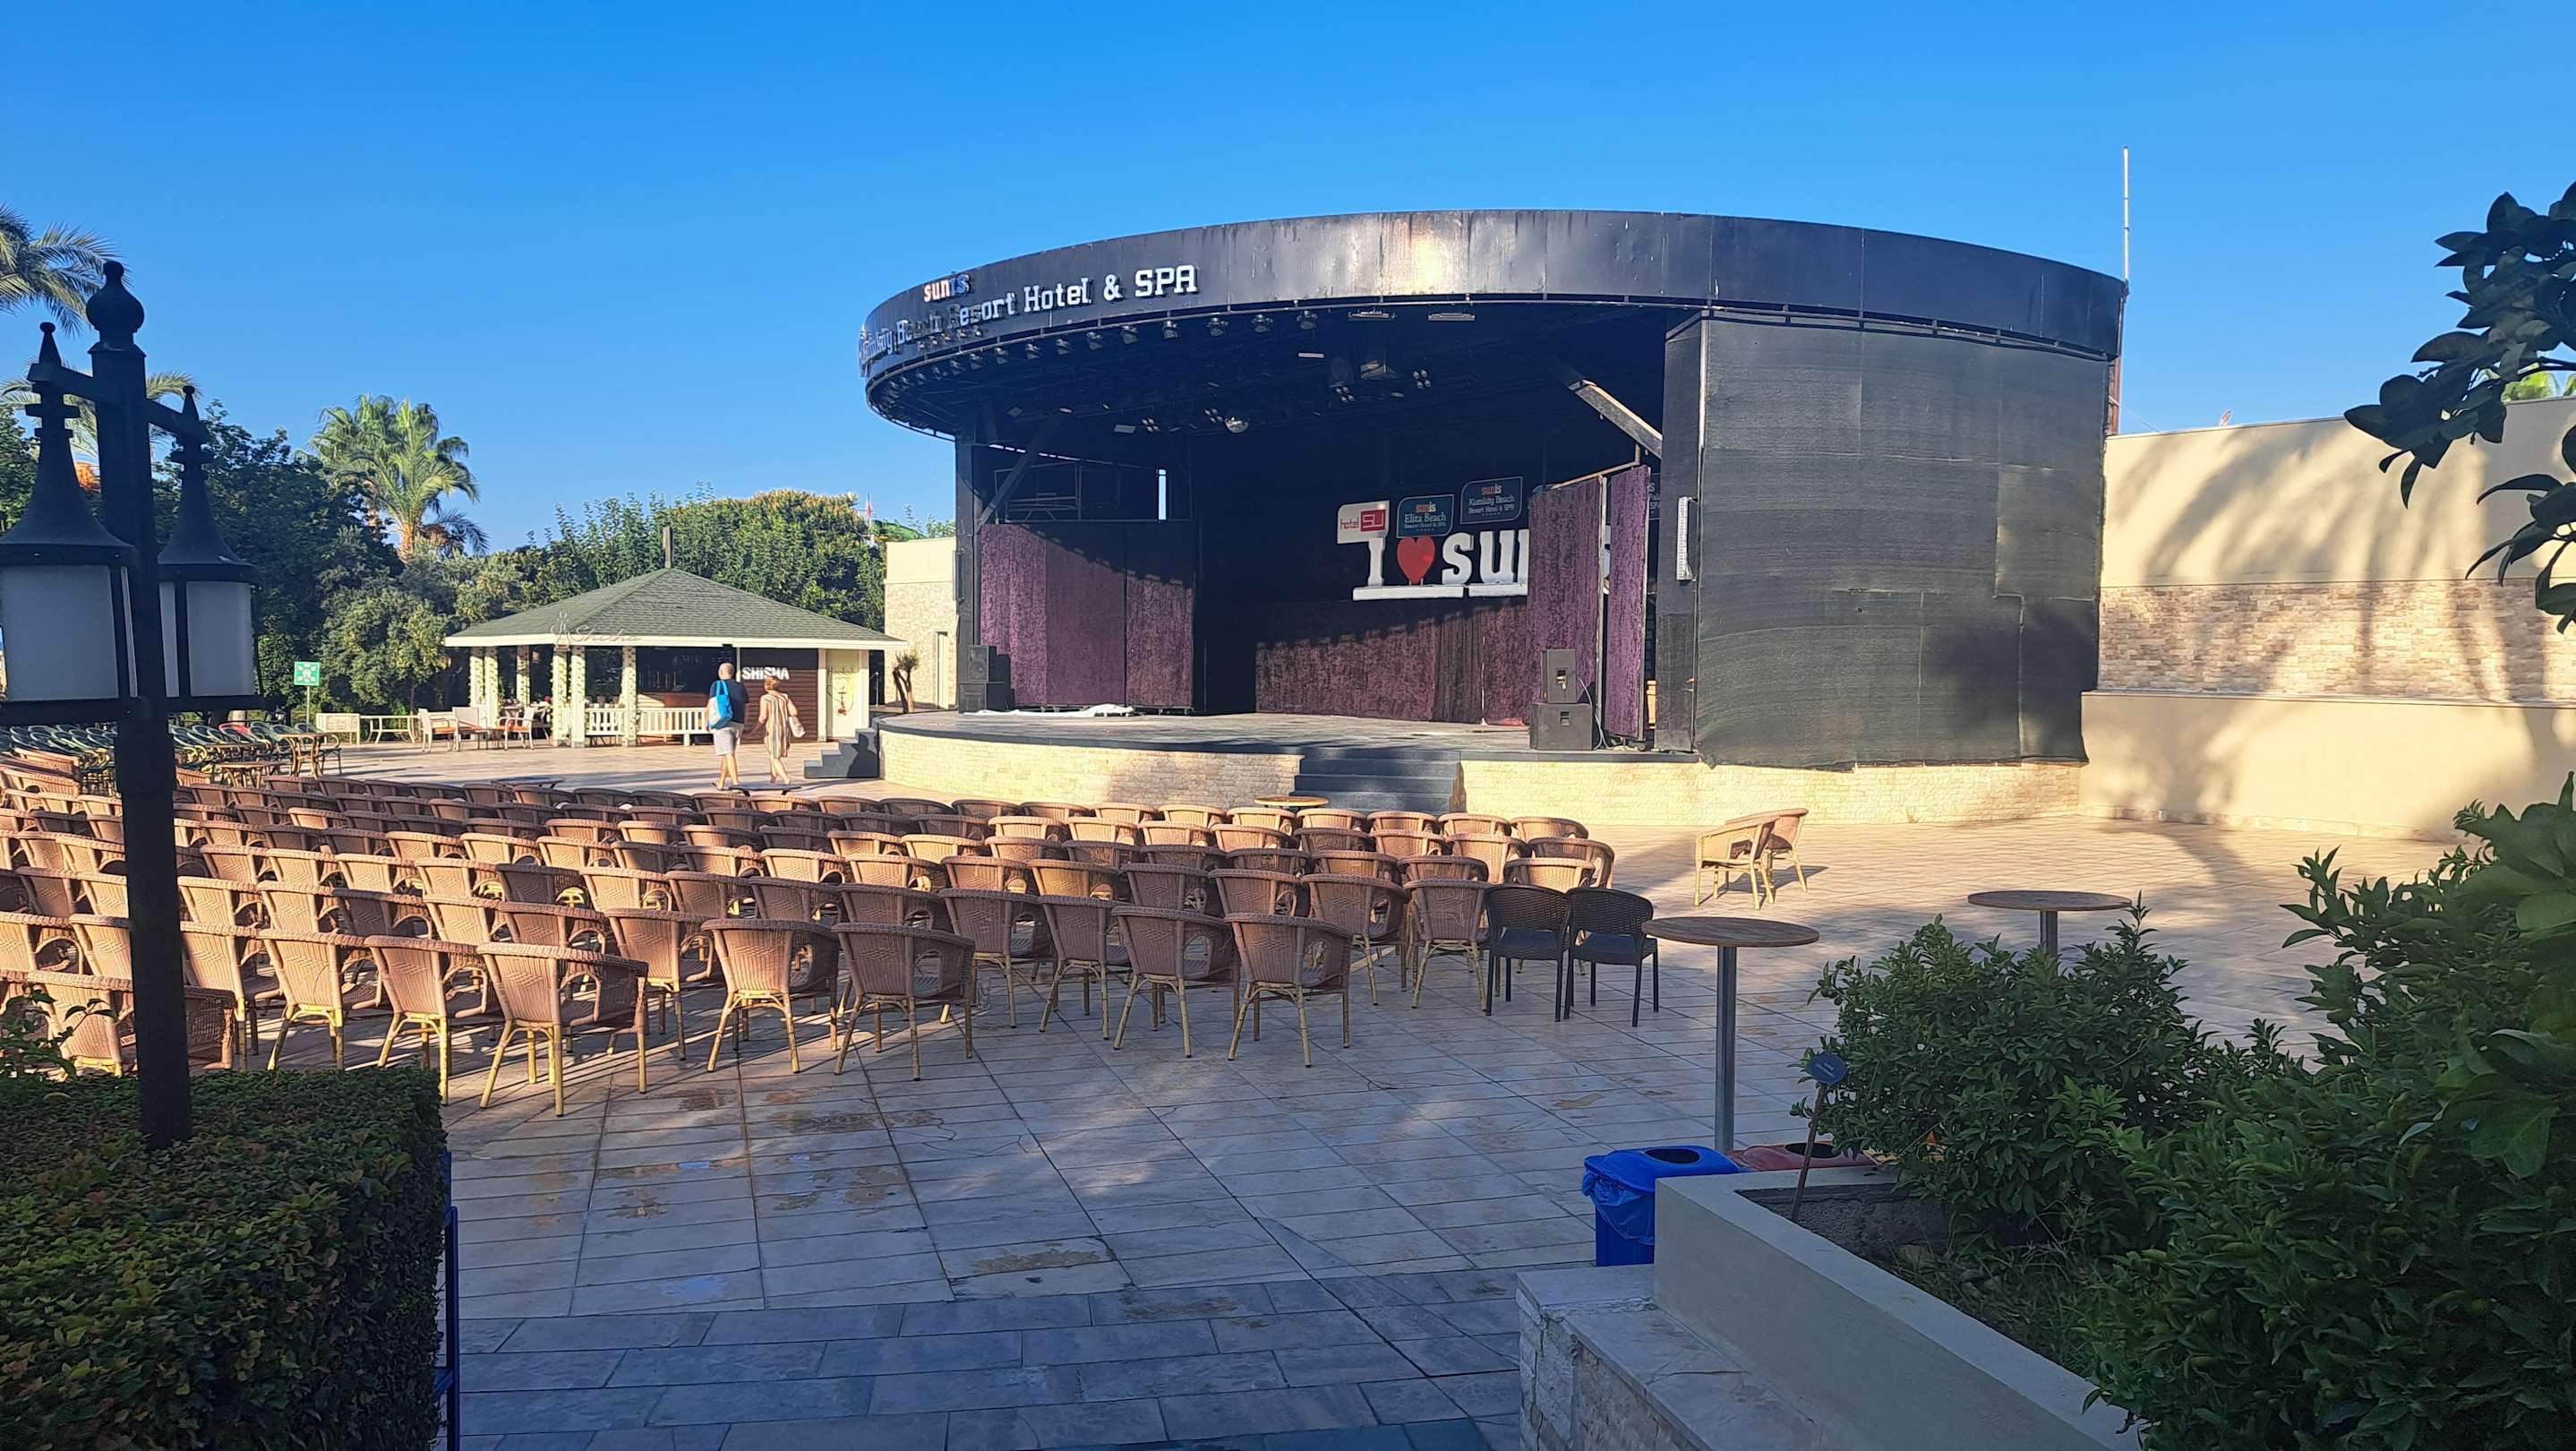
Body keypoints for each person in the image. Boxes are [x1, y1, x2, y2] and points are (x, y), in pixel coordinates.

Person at [756, 678, 805, 786]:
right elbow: (794, 712)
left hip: (771, 730)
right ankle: (772, 780)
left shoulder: (765, 698)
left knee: (774, 757)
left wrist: (754, 729)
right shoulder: (785, 697)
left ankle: (786, 778)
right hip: (784, 729)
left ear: (766, 685)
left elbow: (763, 717)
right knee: (773, 755)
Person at [707, 659, 746, 792]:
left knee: (729, 754)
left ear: (721, 672)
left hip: (723, 723)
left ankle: (736, 784)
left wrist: (708, 721)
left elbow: (712, 704)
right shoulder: (741, 686)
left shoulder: (717, 685)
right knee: (727, 754)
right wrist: (744, 723)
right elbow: (746, 706)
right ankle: (721, 782)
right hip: (738, 723)